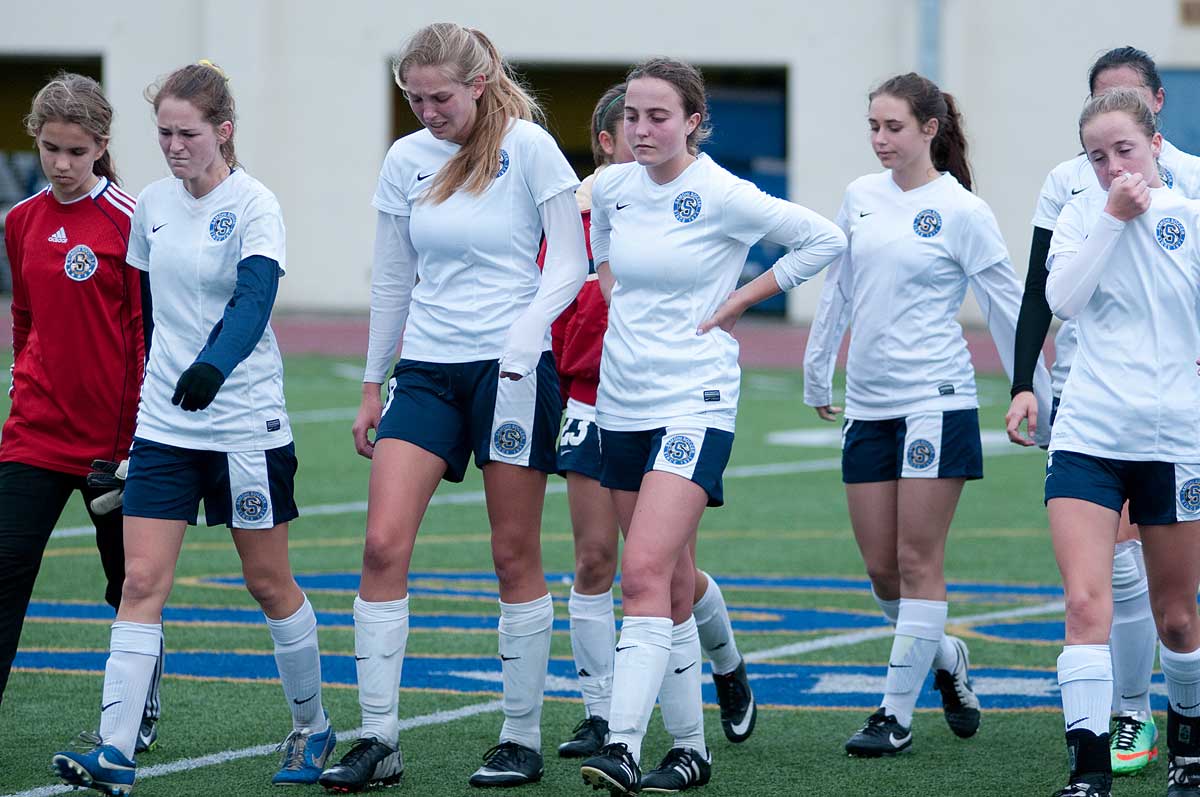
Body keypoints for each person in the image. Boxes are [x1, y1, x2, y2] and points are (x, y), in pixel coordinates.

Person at [317, 23, 588, 791]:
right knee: (380, 545)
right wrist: (374, 382)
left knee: (513, 553)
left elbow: (571, 259)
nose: (427, 111)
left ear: (477, 83)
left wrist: (525, 337)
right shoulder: (405, 159)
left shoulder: (529, 147)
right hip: (428, 371)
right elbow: (392, 277)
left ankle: (520, 735)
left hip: (511, 371)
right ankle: (378, 738)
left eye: (440, 97)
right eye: (413, 98)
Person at [50, 61, 333, 795]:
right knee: (141, 579)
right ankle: (114, 749)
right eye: (165, 134)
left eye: (188, 133)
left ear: (224, 131)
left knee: (268, 582)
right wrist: (146, 395)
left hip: (244, 424)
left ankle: (313, 724)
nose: (174, 146)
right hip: (166, 426)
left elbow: (255, 295)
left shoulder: (255, 205)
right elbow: (144, 308)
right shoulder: (152, 206)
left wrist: (214, 365)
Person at [577, 57, 845, 795]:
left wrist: (741, 301)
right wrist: (610, 286)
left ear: (693, 120)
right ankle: (697, 739)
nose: (642, 129)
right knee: (671, 582)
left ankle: (624, 746)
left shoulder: (719, 190)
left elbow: (823, 241)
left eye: (659, 115)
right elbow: (600, 249)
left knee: (642, 574)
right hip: (622, 402)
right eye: (632, 115)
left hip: (695, 398)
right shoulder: (611, 189)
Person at [803, 72, 1052, 758]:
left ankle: (893, 712)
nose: (882, 140)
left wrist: (1036, 390)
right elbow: (840, 289)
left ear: (929, 130)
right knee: (882, 571)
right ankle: (947, 658)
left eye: (894, 128)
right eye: (874, 128)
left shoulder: (963, 210)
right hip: (870, 404)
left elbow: (1007, 305)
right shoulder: (859, 196)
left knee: (918, 560)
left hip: (936, 401)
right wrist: (817, 366)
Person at [1006, 46, 1200, 777]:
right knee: (1086, 603)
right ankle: (1087, 769)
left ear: (1155, 142)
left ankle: (1188, 739)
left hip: (1175, 436)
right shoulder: (1081, 214)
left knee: (1177, 615)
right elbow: (1062, 300)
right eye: (1096, 155)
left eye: (1124, 148)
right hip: (1089, 432)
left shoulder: (1193, 212)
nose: (1112, 164)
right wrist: (1113, 217)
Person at [554, 83, 757, 762]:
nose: (628, 142)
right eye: (619, 130)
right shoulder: (589, 208)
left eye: (647, 123)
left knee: (663, 570)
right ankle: (603, 710)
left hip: (672, 400)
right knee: (595, 560)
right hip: (593, 399)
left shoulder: (684, 200)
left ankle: (718, 669)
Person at [0, 73, 163, 748]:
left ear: (100, 145)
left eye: (75, 151)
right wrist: (22, 390)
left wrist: (134, 443)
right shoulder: (19, 221)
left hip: (114, 448)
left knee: (127, 584)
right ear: (35, 140)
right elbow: (27, 319)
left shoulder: (131, 219)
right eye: (50, 149)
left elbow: (147, 333)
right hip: (32, 437)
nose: (62, 165)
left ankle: (140, 703)